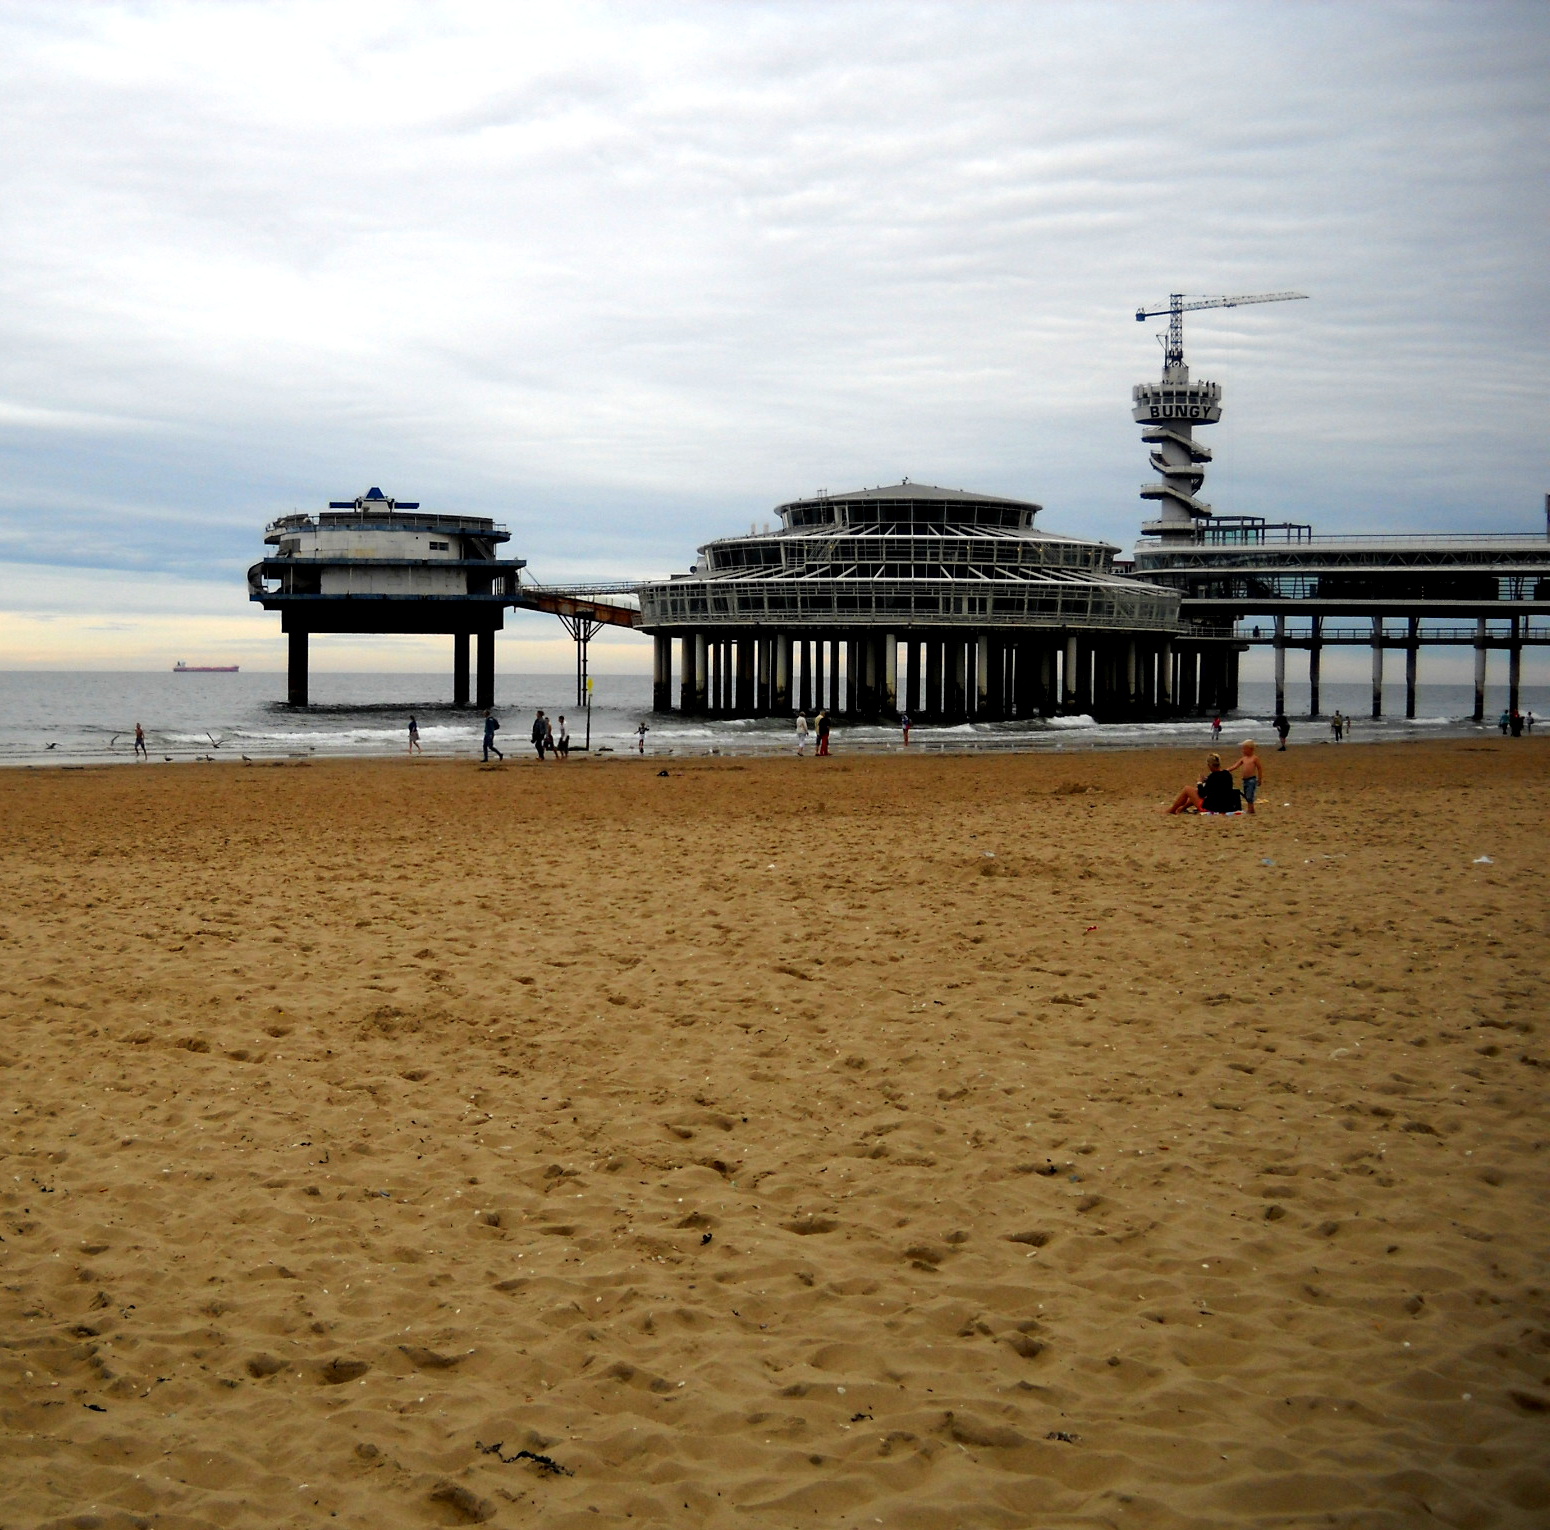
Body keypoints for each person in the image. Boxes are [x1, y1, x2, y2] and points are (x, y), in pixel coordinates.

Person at [1225, 738, 1263, 815]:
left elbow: (1259, 768)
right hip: (1245, 780)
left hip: (1252, 779)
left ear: (1251, 749)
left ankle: (1251, 809)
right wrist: (1227, 770)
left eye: (1245, 749)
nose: (1243, 751)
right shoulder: (1243, 758)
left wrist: (1260, 779)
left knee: (1249, 795)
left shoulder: (1254, 758)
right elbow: (1236, 766)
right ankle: (1251, 809)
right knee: (1246, 794)